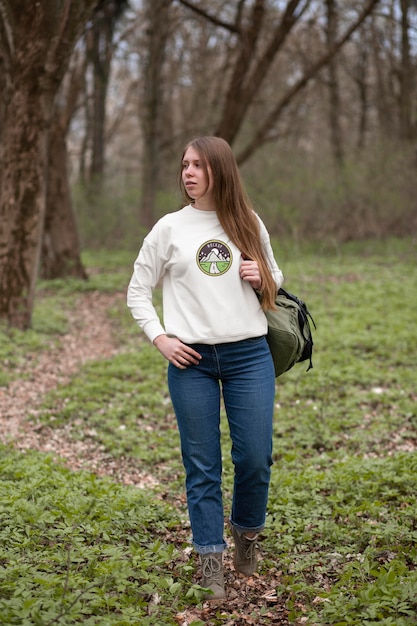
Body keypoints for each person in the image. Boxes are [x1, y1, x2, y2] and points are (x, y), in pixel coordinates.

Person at [127, 136, 283, 601]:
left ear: (220, 170)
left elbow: (276, 277)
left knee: (255, 458)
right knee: (202, 466)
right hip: (190, 361)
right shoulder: (169, 228)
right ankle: (210, 559)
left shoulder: (246, 222)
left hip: (249, 355)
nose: (188, 173)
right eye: (184, 165)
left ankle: (247, 535)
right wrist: (160, 337)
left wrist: (264, 277)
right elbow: (138, 290)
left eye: (198, 165)